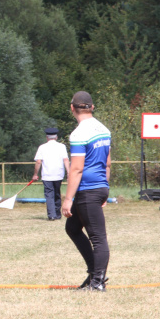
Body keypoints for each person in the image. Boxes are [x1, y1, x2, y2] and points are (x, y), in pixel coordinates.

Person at [61, 91, 111, 292]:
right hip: (99, 187)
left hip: (87, 190)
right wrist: (105, 189)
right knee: (72, 228)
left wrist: (67, 199)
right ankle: (93, 275)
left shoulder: (79, 133)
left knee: (98, 238)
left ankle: (97, 282)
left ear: (72, 108)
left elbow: (76, 168)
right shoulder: (104, 129)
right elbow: (107, 163)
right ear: (92, 107)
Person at [32, 127, 70, 221]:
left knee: (49, 195)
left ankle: (52, 215)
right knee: (57, 193)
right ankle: (57, 214)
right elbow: (66, 160)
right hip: (59, 174)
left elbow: (38, 162)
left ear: (47, 137)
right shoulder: (62, 147)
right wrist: (69, 173)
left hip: (47, 175)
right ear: (56, 137)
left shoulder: (42, 147)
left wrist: (35, 174)